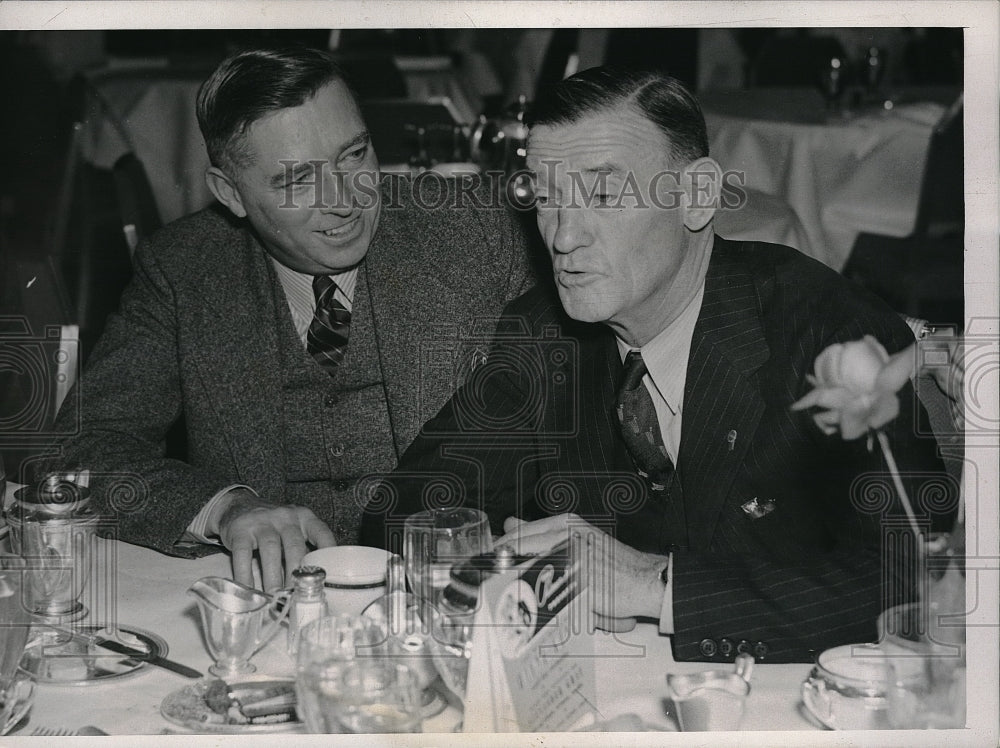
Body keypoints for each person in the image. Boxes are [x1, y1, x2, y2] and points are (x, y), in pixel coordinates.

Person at [360, 67, 956, 663]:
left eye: (604, 194)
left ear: (697, 197)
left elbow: (915, 578)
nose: (563, 236)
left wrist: (654, 584)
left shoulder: (828, 335)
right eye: (545, 198)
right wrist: (514, 560)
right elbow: (403, 514)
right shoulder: (544, 334)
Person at [41, 47, 534, 591]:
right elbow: (78, 452)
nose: (345, 200)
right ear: (230, 193)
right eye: (298, 181)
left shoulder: (478, 230)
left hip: (454, 597)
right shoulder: (184, 269)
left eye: (354, 154)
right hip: (274, 607)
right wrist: (226, 509)